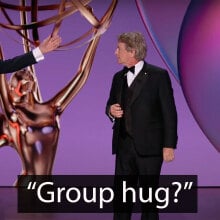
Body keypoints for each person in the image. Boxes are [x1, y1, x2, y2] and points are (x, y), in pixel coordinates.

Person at [105, 32, 178, 220]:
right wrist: (110, 111)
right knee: (121, 199)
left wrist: (169, 145)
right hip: (124, 147)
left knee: (149, 201)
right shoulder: (117, 77)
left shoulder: (158, 76)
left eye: (119, 49)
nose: (115, 52)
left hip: (150, 149)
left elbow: (169, 113)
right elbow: (110, 104)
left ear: (133, 51)